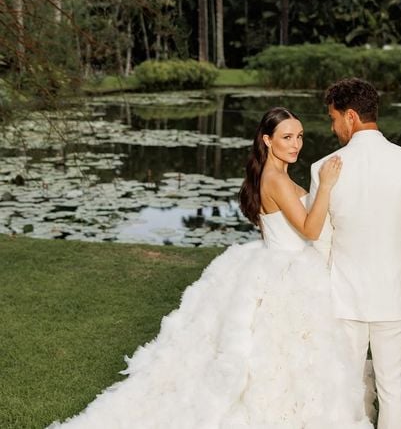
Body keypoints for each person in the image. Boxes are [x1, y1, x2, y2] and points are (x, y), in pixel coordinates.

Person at [47, 107, 372, 429]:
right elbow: (310, 230)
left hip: (279, 263)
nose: (296, 144)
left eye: (299, 136)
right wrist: (326, 186)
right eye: (287, 137)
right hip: (288, 271)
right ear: (267, 140)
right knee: (283, 354)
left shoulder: (274, 176)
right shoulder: (276, 180)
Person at [310, 78, 401, 429]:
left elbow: (320, 242)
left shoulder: (323, 167)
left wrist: (316, 292)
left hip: (342, 296)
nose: (333, 126)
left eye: (334, 118)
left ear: (350, 117)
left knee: (343, 387)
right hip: (394, 295)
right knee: (394, 389)